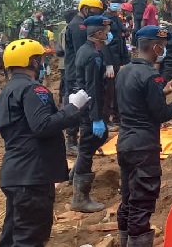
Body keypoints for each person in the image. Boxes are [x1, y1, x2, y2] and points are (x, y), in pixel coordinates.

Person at [0, 39, 90, 246]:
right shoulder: (33, 90)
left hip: (14, 173)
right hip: (33, 176)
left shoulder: (4, 94)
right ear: (33, 61)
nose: (42, 63)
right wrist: (72, 108)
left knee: (11, 236)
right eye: (41, 59)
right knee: (30, 238)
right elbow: (43, 126)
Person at [116, 26, 172, 247]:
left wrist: (162, 92)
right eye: (163, 47)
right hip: (144, 145)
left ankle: (124, 241)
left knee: (128, 199)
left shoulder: (124, 71)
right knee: (142, 202)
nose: (164, 51)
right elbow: (161, 114)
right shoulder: (151, 76)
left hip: (125, 142)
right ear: (156, 47)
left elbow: (135, 100)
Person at [71, 15, 111, 213]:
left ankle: (73, 175)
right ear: (99, 33)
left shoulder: (87, 49)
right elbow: (93, 87)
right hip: (90, 108)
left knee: (92, 143)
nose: (108, 34)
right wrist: (96, 118)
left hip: (87, 105)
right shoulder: (92, 55)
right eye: (106, 31)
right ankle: (80, 198)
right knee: (87, 149)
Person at [63, 0, 105, 156]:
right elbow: (83, 51)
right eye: (95, 12)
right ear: (86, 9)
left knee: (85, 106)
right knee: (75, 106)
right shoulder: (78, 27)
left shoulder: (81, 25)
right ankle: (71, 141)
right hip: (76, 73)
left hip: (80, 71)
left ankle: (85, 140)